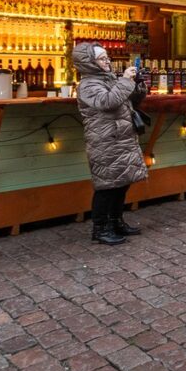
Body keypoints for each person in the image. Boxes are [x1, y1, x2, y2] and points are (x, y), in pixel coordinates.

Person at [73, 42, 146, 245]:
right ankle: (100, 228)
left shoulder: (110, 79)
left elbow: (127, 100)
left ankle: (116, 221)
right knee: (106, 186)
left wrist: (138, 85)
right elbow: (107, 102)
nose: (107, 61)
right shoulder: (88, 85)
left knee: (121, 182)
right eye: (102, 58)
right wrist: (124, 81)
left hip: (121, 137)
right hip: (104, 139)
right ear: (89, 62)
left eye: (107, 57)